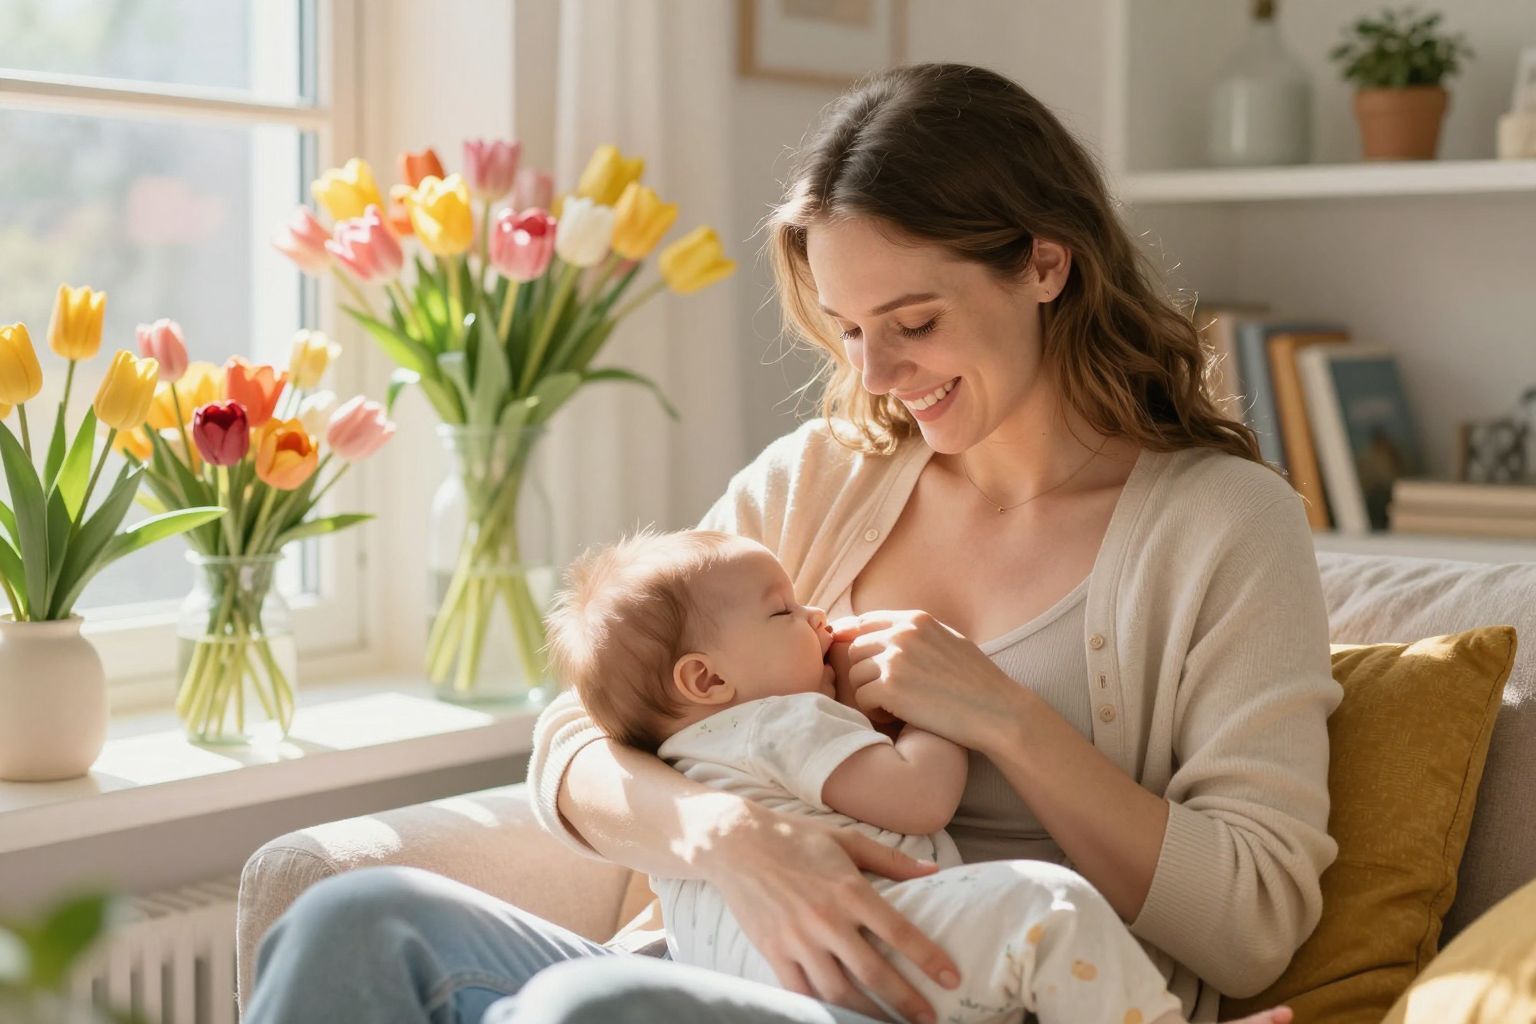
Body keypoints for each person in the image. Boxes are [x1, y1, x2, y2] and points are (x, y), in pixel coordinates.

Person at [244, 61, 1339, 1024]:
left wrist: (1003, 717)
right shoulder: (821, 477)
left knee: (599, 1007)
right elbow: (574, 739)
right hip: (720, 959)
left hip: (952, 996)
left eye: (914, 323)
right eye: (850, 330)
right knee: (357, 918)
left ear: (1045, 265)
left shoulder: (1223, 524)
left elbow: (1254, 918)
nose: (875, 374)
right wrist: (732, 838)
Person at [526, 525, 1292, 1024]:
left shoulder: (689, 743)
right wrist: (931, 710)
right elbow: (920, 798)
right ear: (703, 680)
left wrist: (998, 710)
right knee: (1047, 905)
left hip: (744, 980)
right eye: (784, 612)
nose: (819, 615)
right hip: (859, 968)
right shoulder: (785, 718)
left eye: (915, 322)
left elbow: (611, 697)